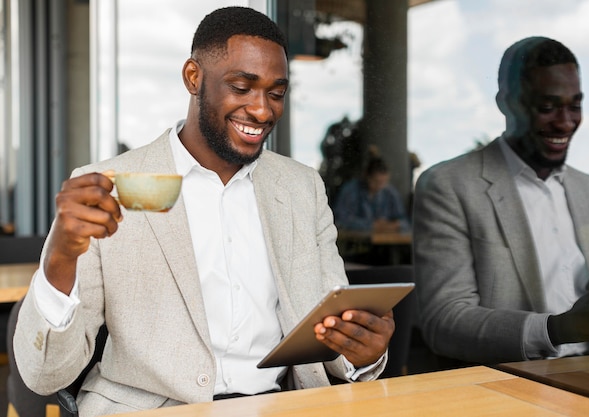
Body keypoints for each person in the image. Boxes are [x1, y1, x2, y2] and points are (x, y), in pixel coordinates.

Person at [13, 7, 393, 416]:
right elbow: (45, 374)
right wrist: (60, 260)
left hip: (284, 406)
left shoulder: (302, 188)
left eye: (276, 93)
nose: (263, 110)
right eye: (242, 87)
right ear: (194, 78)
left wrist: (363, 353)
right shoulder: (109, 186)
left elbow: (331, 331)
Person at [412, 36, 589, 365]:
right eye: (547, 107)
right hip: (508, 384)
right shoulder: (448, 186)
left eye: (575, 105)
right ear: (506, 102)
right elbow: (443, 322)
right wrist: (558, 330)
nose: (565, 121)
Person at [334, 152, 409, 233]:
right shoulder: (350, 190)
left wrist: (393, 225)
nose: (380, 186)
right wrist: (371, 225)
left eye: (384, 182)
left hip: (385, 243)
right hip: (355, 242)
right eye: (376, 182)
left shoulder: (390, 193)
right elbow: (340, 220)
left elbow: (404, 221)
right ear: (366, 176)